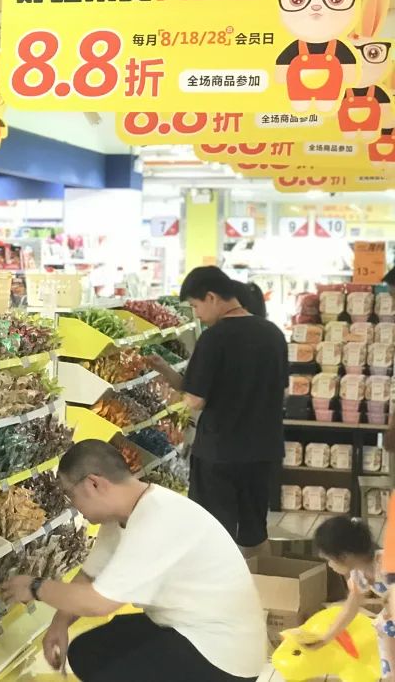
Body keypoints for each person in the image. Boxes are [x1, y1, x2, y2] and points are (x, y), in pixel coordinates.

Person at [1, 440, 265, 682]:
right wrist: (59, 623)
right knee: (86, 652)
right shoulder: (124, 515)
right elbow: (90, 576)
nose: (73, 506)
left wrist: (36, 587)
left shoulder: (157, 519)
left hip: (222, 657)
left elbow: (98, 603)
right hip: (187, 629)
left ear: (94, 484)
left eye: (71, 495)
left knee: (111, 674)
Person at [149, 266, 288, 552]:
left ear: (211, 297)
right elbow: (282, 390)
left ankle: (220, 580)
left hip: (220, 452)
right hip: (263, 451)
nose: (196, 313)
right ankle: (261, 576)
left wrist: (169, 408)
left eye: (195, 305)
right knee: (255, 530)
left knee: (213, 533)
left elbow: (195, 400)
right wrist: (164, 369)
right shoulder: (273, 333)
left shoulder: (214, 338)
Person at [304, 516, 394, 679]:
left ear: (344, 556)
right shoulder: (359, 574)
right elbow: (350, 608)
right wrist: (325, 638)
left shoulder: (387, 563)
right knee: (389, 667)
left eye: (329, 560)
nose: (330, 565)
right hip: (389, 624)